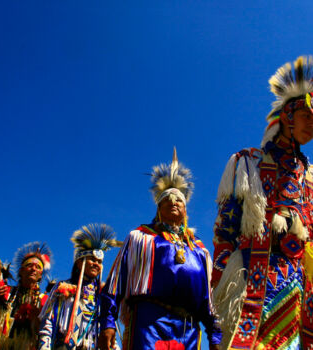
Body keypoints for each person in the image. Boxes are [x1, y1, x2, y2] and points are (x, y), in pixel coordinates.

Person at [212, 56, 313, 349]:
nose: (312, 124)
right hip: (253, 275)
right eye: (307, 115)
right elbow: (225, 228)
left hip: (298, 283)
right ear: (288, 116)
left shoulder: (308, 177)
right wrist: (222, 281)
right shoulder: (247, 163)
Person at [98, 149, 222, 350]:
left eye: (178, 200)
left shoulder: (199, 249)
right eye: (166, 199)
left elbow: (209, 299)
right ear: (158, 208)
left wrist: (215, 336)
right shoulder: (140, 237)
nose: (173, 202)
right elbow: (114, 284)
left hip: (188, 329)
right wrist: (108, 323)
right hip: (148, 322)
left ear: (185, 210)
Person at [38, 223, 121, 350]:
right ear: (79, 262)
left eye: (99, 262)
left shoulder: (102, 295)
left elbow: (108, 325)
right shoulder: (62, 288)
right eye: (92, 259)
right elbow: (48, 322)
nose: (96, 264)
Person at [0, 242, 52, 350]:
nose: (33, 269)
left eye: (38, 267)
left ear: (40, 275)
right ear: (21, 271)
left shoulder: (44, 301)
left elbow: (45, 336)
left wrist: (37, 318)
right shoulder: (5, 292)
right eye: (29, 265)